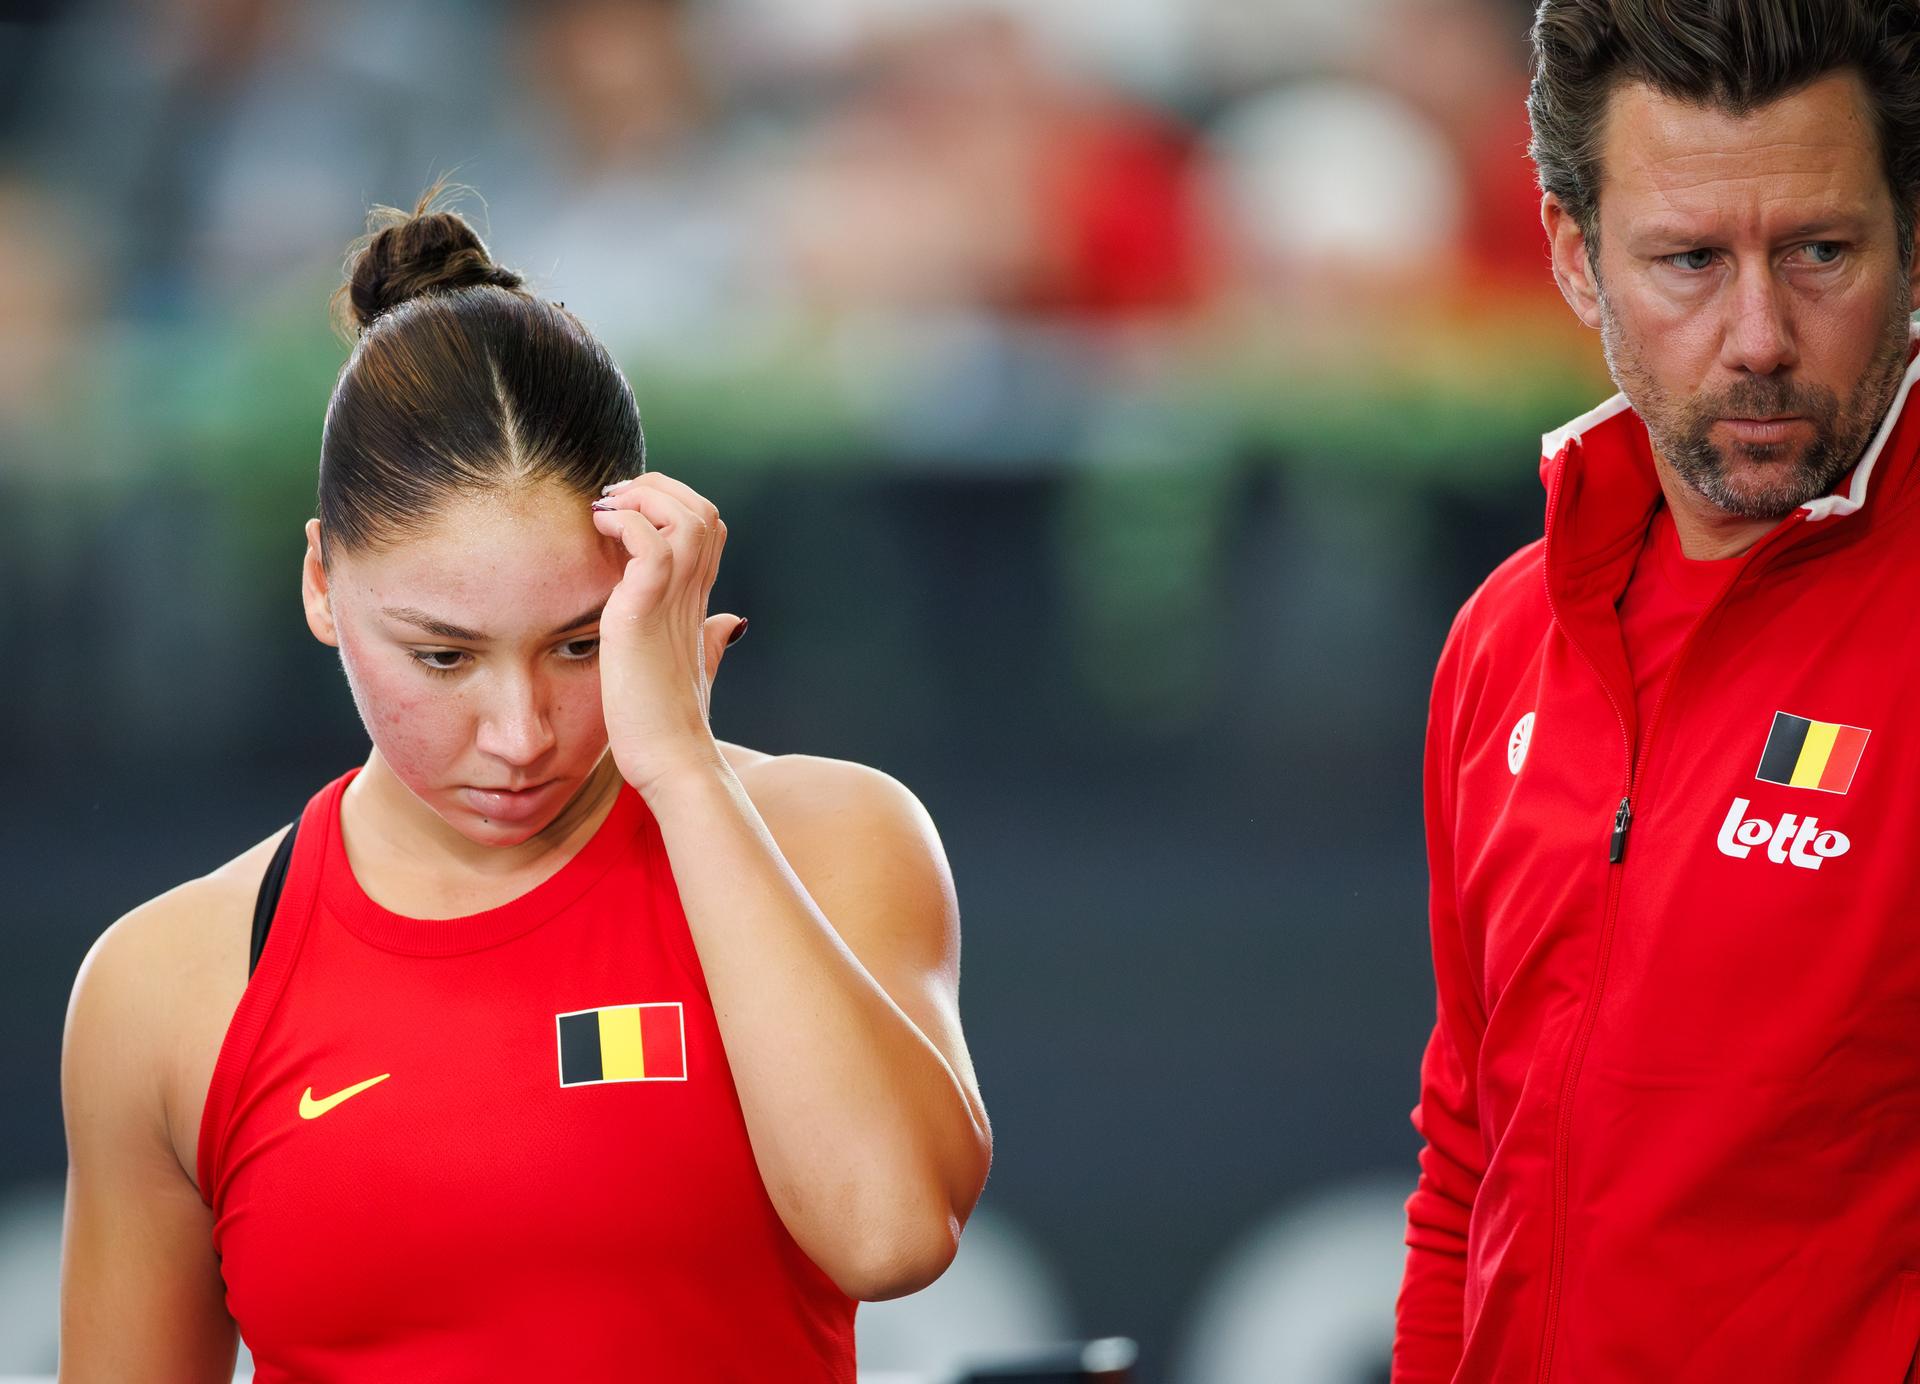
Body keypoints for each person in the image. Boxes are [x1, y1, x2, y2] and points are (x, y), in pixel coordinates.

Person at [57, 189, 993, 1381]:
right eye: (443, 656)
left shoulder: (829, 834)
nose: (519, 733)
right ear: (321, 586)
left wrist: (684, 775)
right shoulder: (168, 985)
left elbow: (890, 1231)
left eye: (580, 643)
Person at [1394, 1, 1920, 1378]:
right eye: (1690, 260)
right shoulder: (1505, 637)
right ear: (1576, 258)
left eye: (1819, 251)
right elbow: (1467, 1160)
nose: (1759, 333)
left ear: (1912, 237)